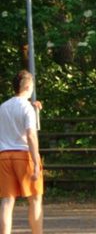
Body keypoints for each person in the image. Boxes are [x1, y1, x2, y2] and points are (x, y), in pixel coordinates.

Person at [0, 70, 43, 234]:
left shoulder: (3, 107)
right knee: (35, 199)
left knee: (7, 201)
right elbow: (31, 135)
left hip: (4, 155)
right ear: (27, 86)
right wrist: (36, 161)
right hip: (24, 154)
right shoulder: (27, 108)